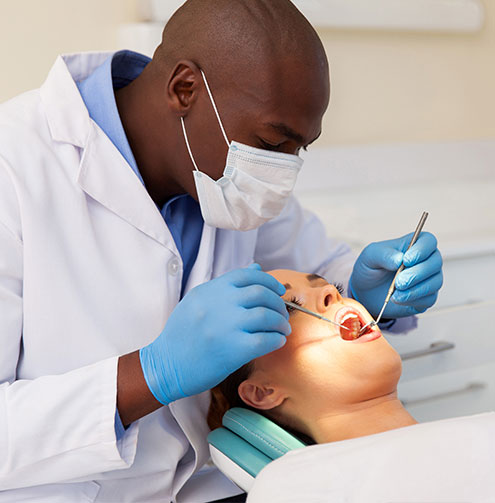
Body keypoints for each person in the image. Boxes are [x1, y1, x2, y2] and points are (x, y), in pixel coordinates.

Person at [0, 1, 443, 501]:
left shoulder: (229, 173)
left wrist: (361, 287)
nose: (283, 169)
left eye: (300, 147)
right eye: (273, 143)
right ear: (184, 89)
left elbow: (317, 275)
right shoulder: (13, 168)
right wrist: (148, 375)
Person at [208, 270, 494, 503]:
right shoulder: (291, 488)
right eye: (290, 307)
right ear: (263, 392)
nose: (330, 292)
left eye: (334, 287)